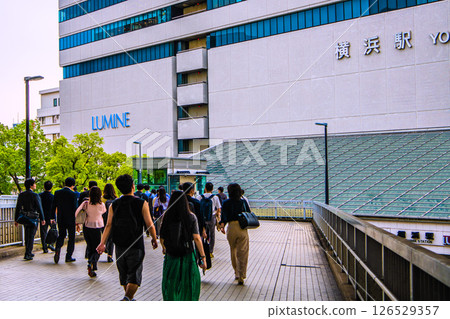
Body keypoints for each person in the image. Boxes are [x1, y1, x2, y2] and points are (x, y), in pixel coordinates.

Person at [97, 174, 158, 301]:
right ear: (132, 186)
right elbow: (150, 225)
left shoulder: (114, 204)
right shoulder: (142, 203)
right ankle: (127, 299)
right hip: (136, 244)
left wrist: (102, 243)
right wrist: (154, 238)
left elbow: (108, 225)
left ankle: (128, 298)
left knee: (124, 275)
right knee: (135, 276)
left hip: (119, 244)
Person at [160, 190, 207, 301]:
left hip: (171, 255)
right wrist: (203, 257)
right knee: (189, 283)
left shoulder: (166, 216)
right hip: (188, 255)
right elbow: (196, 238)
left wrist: (164, 248)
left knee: (171, 282)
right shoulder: (191, 217)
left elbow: (162, 237)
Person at [219, 183, 251, 285]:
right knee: (243, 252)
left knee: (233, 250)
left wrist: (222, 226)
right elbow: (249, 213)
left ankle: (236, 272)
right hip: (242, 228)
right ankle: (242, 275)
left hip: (231, 227)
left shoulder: (225, 202)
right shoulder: (243, 201)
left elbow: (223, 216)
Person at [76, 186, 106, 277]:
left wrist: (77, 224)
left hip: (87, 226)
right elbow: (103, 212)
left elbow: (77, 212)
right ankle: (92, 262)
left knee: (90, 246)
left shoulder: (85, 203)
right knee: (97, 248)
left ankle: (91, 264)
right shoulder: (102, 205)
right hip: (97, 227)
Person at [14, 178, 45, 260]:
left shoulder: (21, 195)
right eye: (34, 184)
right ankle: (28, 253)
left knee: (27, 234)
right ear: (31, 185)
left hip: (25, 217)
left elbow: (18, 208)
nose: (35, 185)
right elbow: (39, 207)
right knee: (31, 235)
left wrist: (16, 219)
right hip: (33, 217)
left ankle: (28, 252)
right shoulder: (35, 195)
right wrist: (42, 218)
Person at [52, 177, 78, 263]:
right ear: (72, 185)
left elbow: (53, 206)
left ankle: (58, 248)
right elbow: (75, 208)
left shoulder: (57, 193)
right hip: (71, 218)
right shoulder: (73, 194)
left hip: (61, 218)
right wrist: (77, 221)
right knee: (71, 237)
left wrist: (52, 217)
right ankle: (68, 256)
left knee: (62, 234)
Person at [197, 182, 221, 258]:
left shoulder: (199, 197)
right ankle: (210, 252)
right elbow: (219, 208)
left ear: (205, 188)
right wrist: (217, 215)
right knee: (212, 234)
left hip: (202, 218)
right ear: (212, 189)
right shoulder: (215, 197)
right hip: (212, 217)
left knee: (201, 233)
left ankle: (200, 251)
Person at [39, 181, 56, 253]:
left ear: (44, 187)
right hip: (51, 216)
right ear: (51, 188)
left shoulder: (40, 195)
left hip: (43, 216)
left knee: (43, 232)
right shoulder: (53, 196)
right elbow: (54, 207)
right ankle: (51, 244)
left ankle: (44, 247)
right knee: (54, 231)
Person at [102, 183, 117, 263]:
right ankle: (110, 255)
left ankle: (105, 248)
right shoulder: (116, 199)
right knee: (111, 239)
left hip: (102, 220)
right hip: (113, 221)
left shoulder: (102, 199)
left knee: (104, 235)